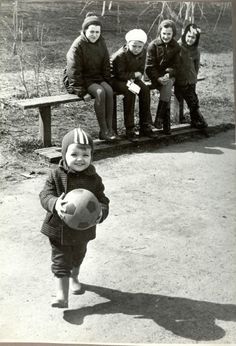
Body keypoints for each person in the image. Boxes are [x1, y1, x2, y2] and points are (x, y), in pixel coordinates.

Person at [39, 127, 109, 308]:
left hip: (82, 229)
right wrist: (55, 203)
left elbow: (102, 199)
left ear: (92, 156)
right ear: (64, 155)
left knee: (78, 255)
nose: (80, 159)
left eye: (86, 155)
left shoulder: (94, 178)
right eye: (74, 154)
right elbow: (45, 195)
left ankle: (75, 277)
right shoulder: (55, 174)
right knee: (61, 260)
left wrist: (101, 211)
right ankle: (62, 297)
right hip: (58, 229)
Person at [63, 13, 118, 142]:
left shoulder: (101, 42)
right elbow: (73, 71)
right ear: (84, 31)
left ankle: (110, 129)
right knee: (100, 92)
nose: (94, 35)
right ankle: (103, 130)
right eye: (91, 31)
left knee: (109, 90)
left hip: (97, 77)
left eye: (97, 32)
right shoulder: (77, 45)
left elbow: (105, 63)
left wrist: (107, 80)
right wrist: (81, 92)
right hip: (83, 79)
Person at [111, 29, 157, 141]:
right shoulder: (120, 55)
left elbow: (141, 69)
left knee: (145, 90)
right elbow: (119, 74)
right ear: (128, 44)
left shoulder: (143, 52)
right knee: (130, 92)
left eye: (139, 47)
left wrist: (138, 75)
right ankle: (129, 129)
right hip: (117, 80)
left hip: (132, 79)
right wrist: (134, 75)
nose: (137, 49)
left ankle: (145, 125)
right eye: (134, 46)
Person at [145, 19, 181, 134]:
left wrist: (168, 74)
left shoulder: (176, 46)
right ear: (160, 32)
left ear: (173, 34)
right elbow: (149, 66)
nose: (166, 36)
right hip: (155, 77)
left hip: (169, 77)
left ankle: (159, 119)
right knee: (167, 87)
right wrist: (158, 78)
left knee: (168, 84)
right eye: (164, 33)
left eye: (169, 34)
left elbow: (176, 66)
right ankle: (164, 124)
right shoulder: (153, 45)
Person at [174, 23, 208, 129]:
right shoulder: (178, 47)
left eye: (193, 37)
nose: (190, 39)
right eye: (188, 36)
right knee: (192, 99)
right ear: (184, 35)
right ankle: (199, 120)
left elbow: (196, 66)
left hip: (191, 80)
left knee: (193, 99)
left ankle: (195, 120)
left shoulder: (196, 50)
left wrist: (194, 78)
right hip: (181, 80)